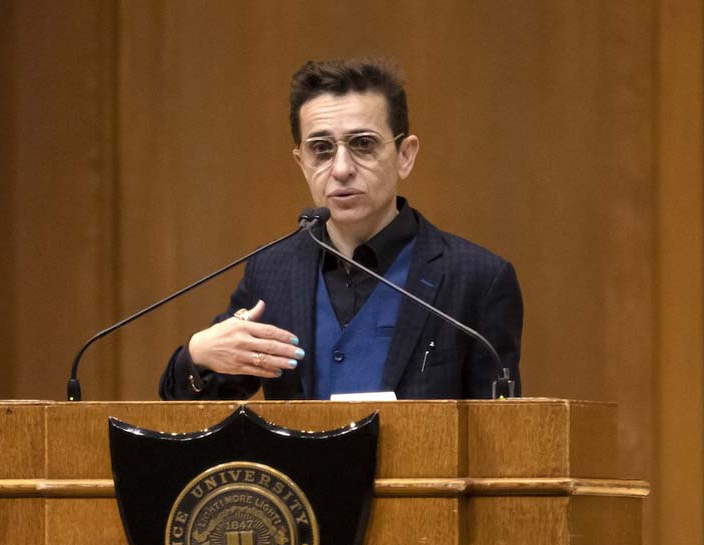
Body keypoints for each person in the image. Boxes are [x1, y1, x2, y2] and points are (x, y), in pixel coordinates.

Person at [158, 58, 522, 401]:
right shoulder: (272, 273)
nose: (342, 168)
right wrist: (197, 355)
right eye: (322, 149)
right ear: (302, 162)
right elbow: (192, 410)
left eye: (363, 144)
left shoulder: (477, 279)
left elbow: (504, 438)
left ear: (405, 156)